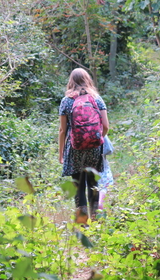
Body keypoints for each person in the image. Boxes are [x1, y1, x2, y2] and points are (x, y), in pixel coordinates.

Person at [58, 68, 109, 221]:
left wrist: (61, 153)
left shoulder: (66, 101)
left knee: (78, 184)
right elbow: (106, 126)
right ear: (87, 80)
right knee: (93, 182)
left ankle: (82, 221)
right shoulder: (97, 98)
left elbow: (62, 130)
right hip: (94, 148)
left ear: (71, 81)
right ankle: (95, 218)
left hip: (74, 148)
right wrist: (98, 139)